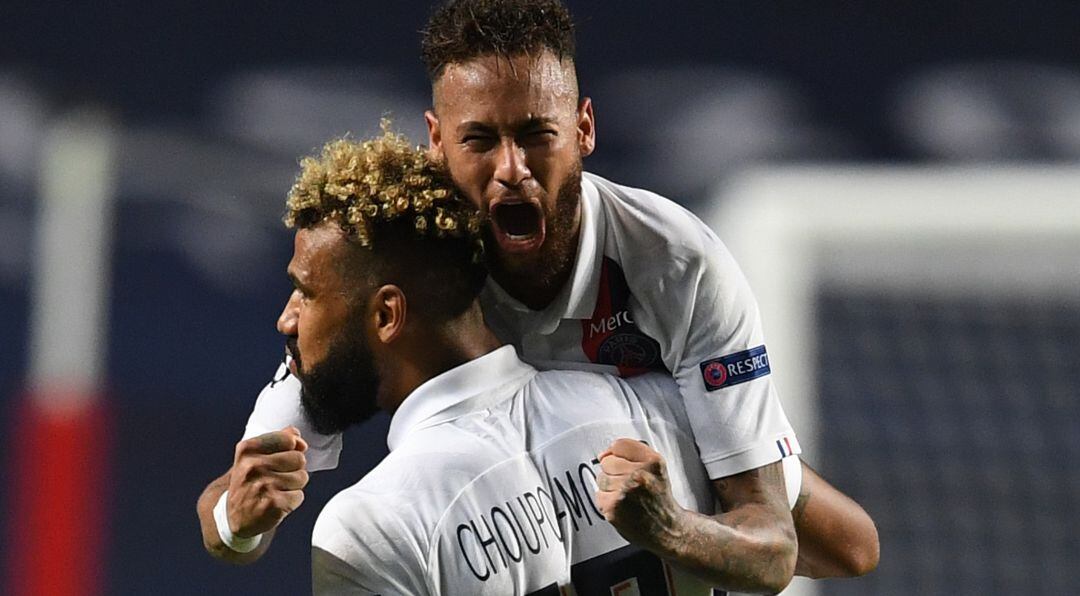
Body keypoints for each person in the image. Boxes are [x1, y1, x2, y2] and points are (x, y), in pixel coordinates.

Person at [197, 0, 877, 584]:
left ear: (583, 128)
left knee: (849, 543)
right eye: (480, 142)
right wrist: (240, 520)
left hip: (653, 449)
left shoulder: (676, 263)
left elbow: (775, 549)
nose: (511, 170)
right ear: (437, 143)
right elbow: (229, 512)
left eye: (535, 136)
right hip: (518, 489)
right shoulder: (419, 257)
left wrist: (668, 528)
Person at [286, 132, 791, 594]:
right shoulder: (660, 410)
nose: (286, 320)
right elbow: (842, 545)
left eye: (304, 294)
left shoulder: (367, 528)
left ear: (387, 314)